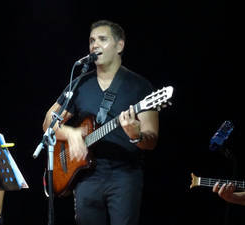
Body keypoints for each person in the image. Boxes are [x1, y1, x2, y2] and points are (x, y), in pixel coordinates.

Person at [43, 20, 159, 225]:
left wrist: (136, 135)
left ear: (119, 46)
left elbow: (151, 140)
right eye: (91, 40)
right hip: (87, 176)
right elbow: (48, 123)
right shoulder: (80, 84)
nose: (94, 45)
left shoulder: (140, 87)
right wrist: (71, 134)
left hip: (125, 175)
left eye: (102, 39)